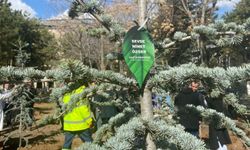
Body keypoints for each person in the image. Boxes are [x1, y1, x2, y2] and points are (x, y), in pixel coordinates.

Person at [62, 83, 93, 150]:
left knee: (67, 144)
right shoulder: (81, 94)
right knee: (89, 142)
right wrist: (89, 121)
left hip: (69, 125)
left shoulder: (66, 95)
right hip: (81, 125)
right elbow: (83, 110)